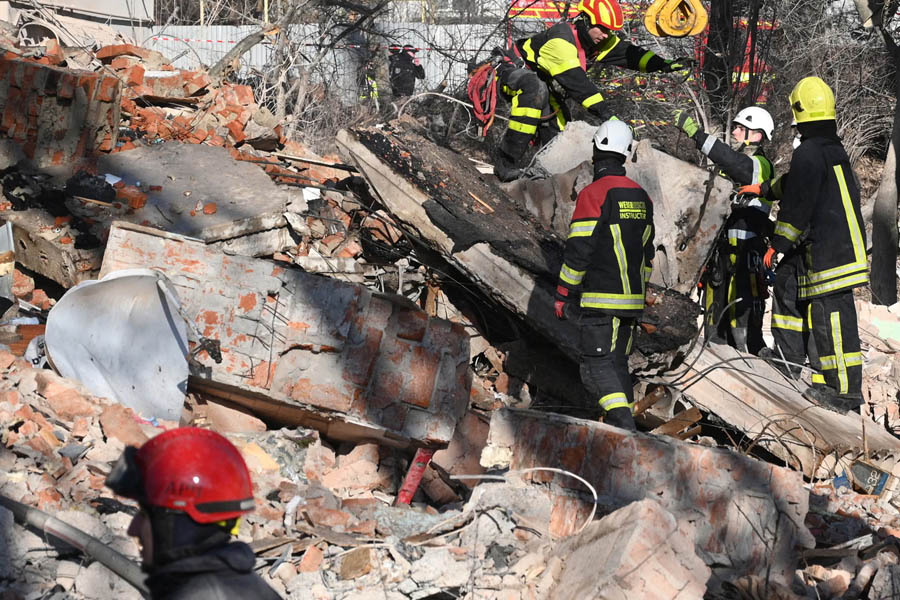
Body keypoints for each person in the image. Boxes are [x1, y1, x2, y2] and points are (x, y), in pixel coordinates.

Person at [748, 77, 867, 414]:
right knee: (790, 287)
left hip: (832, 253)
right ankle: (788, 360)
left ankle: (844, 393)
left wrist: (777, 245)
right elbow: (796, 184)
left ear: (799, 113)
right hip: (833, 247)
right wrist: (763, 190)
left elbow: (797, 206)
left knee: (832, 322)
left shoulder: (809, 153)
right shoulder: (829, 150)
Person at [489, 0, 690, 181]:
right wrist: (608, 115)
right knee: (535, 89)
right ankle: (506, 163)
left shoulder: (598, 40)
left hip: (541, 81)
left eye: (608, 30)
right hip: (511, 75)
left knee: (560, 133)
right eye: (601, 28)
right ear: (585, 21)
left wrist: (664, 64)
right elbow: (578, 85)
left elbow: (630, 54)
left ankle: (546, 176)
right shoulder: (561, 41)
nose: (605, 35)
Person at [554, 119, 654, 430]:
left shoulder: (594, 194)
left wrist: (563, 294)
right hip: (631, 302)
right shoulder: (641, 196)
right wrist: (639, 293)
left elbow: (578, 252)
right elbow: (647, 253)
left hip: (601, 301)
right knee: (617, 365)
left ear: (596, 150)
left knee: (596, 367)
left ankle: (624, 429)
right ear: (625, 154)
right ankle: (623, 431)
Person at [106, 427, 282, 599]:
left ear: (178, 525)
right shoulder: (233, 584)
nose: (133, 529)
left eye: (145, 514)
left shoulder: (201, 594)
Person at [672, 106, 775, 355]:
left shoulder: (760, 165)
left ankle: (747, 357)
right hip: (723, 253)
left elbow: (734, 163)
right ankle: (713, 350)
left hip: (747, 253)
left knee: (742, 317)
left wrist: (697, 135)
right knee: (714, 310)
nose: (735, 133)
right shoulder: (737, 165)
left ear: (757, 134)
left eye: (740, 129)